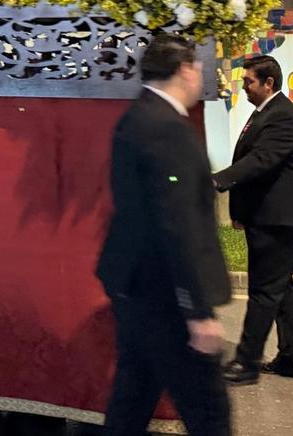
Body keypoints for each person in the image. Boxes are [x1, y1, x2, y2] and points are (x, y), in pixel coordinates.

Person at [96, 35, 230, 436]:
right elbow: (176, 223)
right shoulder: (166, 129)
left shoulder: (136, 117)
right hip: (166, 295)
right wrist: (198, 311)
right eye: (200, 71)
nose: (201, 78)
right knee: (208, 410)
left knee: (132, 398)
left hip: (135, 285)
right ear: (185, 70)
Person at [214, 55, 293, 385]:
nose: (244, 87)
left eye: (249, 82)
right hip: (270, 217)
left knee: (264, 291)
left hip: (280, 221)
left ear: (268, 83)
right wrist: (241, 213)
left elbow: (260, 161)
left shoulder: (282, 117)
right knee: (280, 288)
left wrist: (216, 181)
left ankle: (246, 363)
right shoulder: (266, 114)